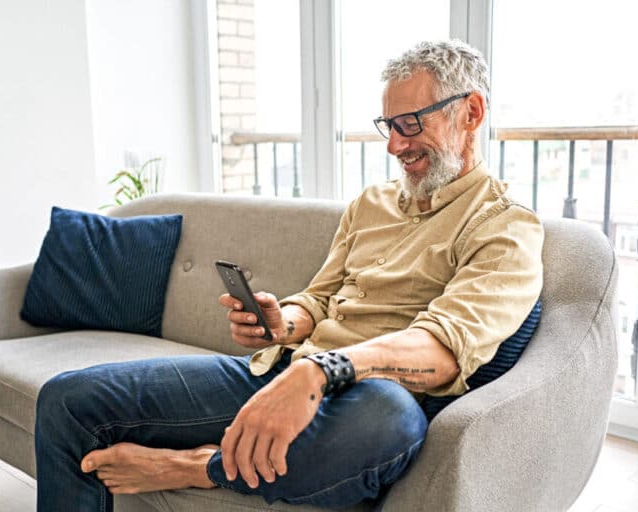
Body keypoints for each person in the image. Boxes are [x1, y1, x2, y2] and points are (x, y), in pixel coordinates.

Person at [34, 39, 543, 510]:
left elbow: (443, 354)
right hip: (285, 372)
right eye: (388, 126)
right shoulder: (371, 204)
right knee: (67, 399)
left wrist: (323, 370)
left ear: (470, 112)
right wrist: (284, 323)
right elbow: (320, 300)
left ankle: (195, 466)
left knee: (390, 419)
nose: (394, 146)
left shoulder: (504, 227)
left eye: (411, 123)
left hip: (361, 400)